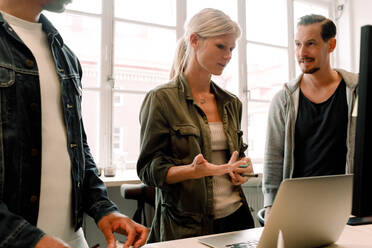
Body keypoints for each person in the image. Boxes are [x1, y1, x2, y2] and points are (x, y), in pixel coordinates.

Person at [0, 0, 148, 247]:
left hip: (74, 240)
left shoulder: (65, 56)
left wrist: (105, 210)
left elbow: (78, 149)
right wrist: (32, 240)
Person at [137, 8, 255, 243]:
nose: (228, 55)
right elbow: (148, 169)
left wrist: (243, 168)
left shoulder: (232, 103)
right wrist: (191, 172)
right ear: (194, 40)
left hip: (237, 220)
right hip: (187, 228)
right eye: (221, 46)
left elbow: (235, 157)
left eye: (231, 49)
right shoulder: (161, 98)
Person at [262, 14, 358, 221]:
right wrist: (271, 206)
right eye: (298, 44)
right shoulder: (283, 99)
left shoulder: (357, 91)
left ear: (331, 45)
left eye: (311, 44)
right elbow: (273, 156)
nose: (301, 53)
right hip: (298, 207)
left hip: (346, 206)